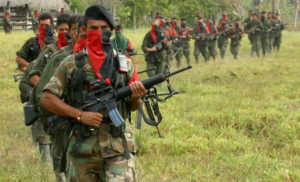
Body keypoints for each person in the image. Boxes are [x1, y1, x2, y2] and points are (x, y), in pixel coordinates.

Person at [40, 5, 146, 181]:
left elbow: (133, 107)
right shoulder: (71, 64)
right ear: (83, 30)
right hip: (82, 149)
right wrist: (80, 115)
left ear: (111, 31)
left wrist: (136, 97)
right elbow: (47, 98)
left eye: (104, 29)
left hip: (117, 146)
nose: (99, 33)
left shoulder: (124, 64)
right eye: (94, 28)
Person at [28, 13, 71, 86]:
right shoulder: (50, 48)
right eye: (61, 30)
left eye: (67, 29)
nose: (64, 32)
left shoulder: (77, 50)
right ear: (56, 29)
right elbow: (33, 75)